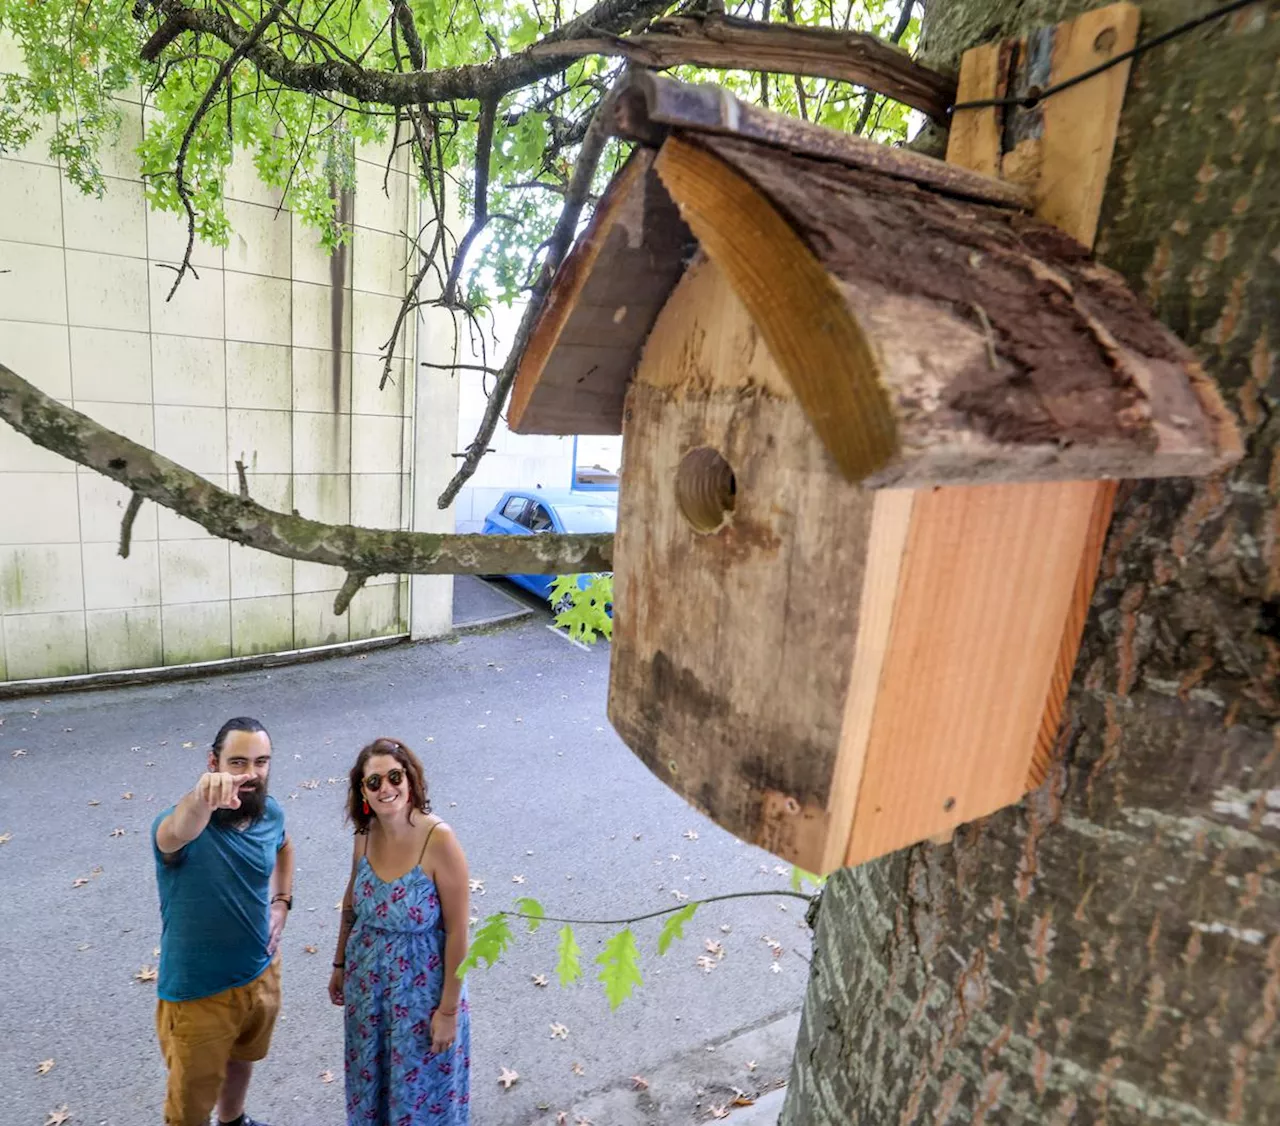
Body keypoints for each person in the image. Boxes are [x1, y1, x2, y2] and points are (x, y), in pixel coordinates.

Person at [152, 717, 294, 1126]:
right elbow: (179, 829)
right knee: (189, 1107)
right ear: (213, 762)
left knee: (243, 1059)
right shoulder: (179, 825)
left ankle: (233, 1120)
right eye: (237, 762)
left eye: (261, 761)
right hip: (200, 995)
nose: (251, 773)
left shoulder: (270, 814)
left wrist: (282, 902)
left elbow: (285, 848)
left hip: (260, 975)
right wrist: (202, 798)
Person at [330, 737, 472, 1123]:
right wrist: (340, 964)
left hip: (420, 996)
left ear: (410, 779)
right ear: (362, 791)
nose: (385, 788)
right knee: (370, 1087)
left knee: (418, 1097)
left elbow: (459, 933)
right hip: (366, 992)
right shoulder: (364, 834)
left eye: (394, 776)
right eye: (373, 782)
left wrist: (447, 1011)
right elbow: (351, 902)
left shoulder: (438, 839)